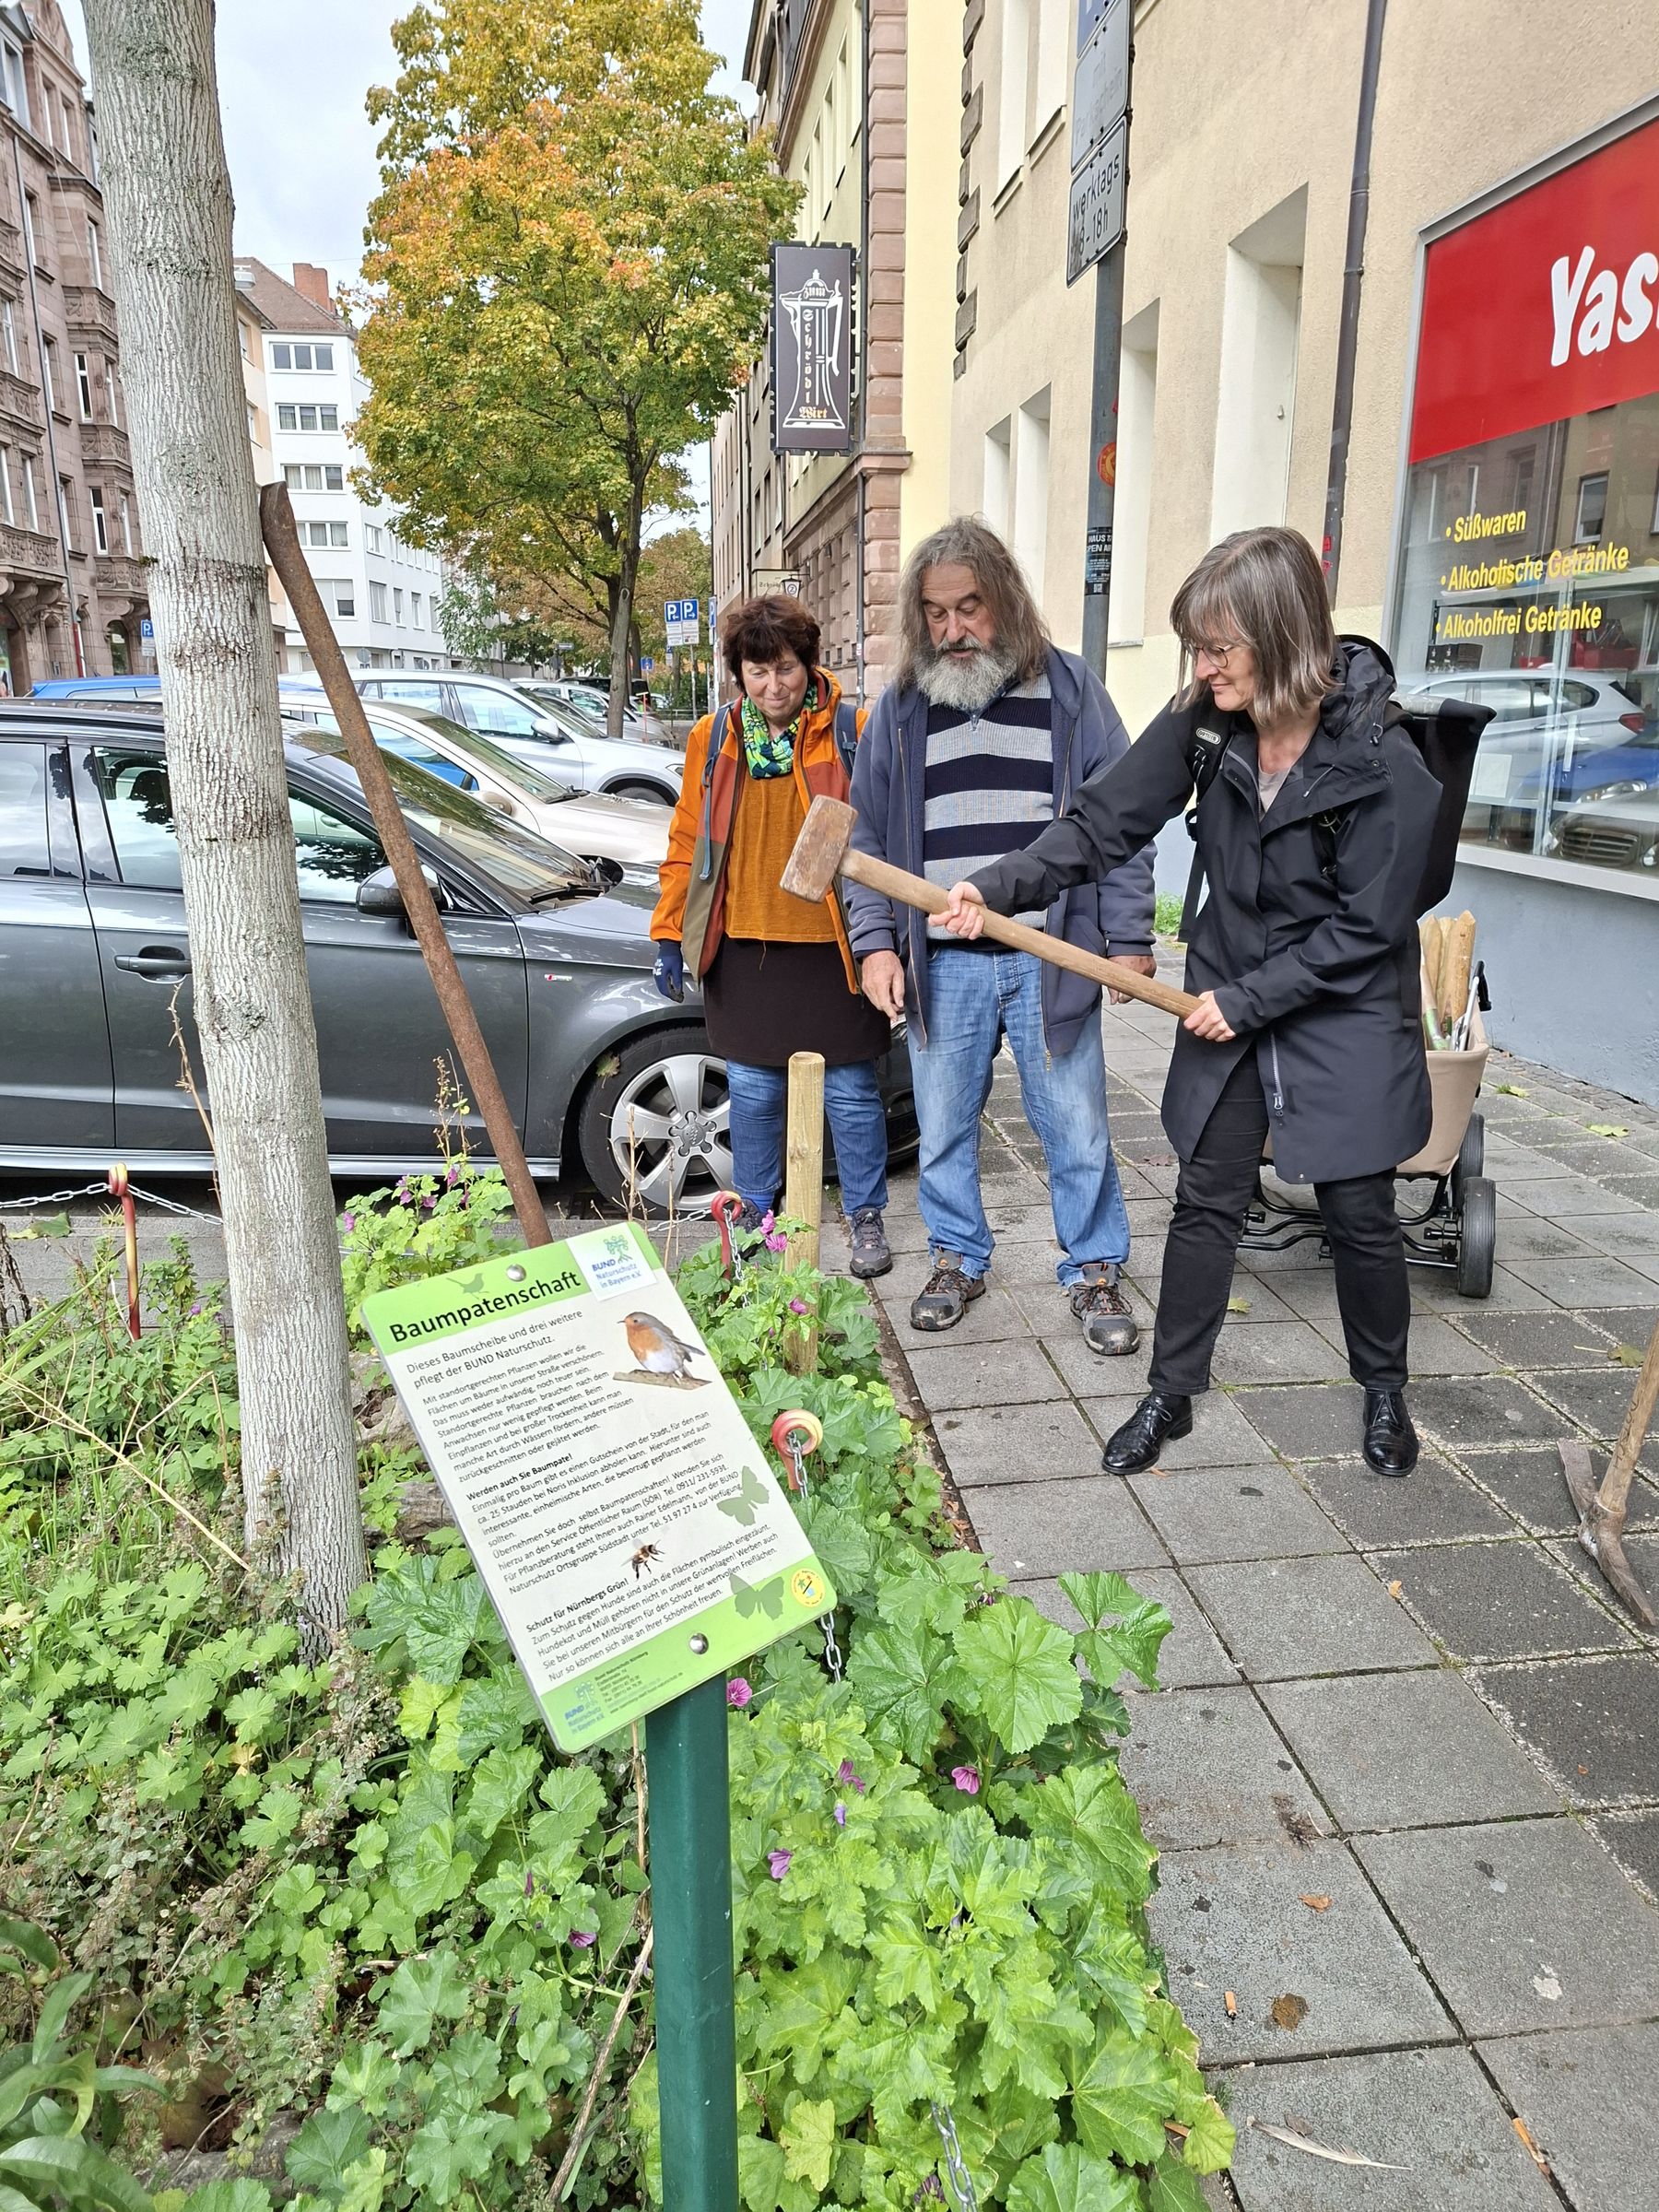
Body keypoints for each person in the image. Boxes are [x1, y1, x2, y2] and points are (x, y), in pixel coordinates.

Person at [941, 525, 1440, 1477]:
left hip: (1340, 1002)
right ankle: (1171, 1393)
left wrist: (1250, 1001)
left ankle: (1384, 1389)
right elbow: (1100, 822)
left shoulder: (1383, 762)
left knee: (1359, 1211)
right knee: (1206, 1201)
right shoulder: (1209, 725)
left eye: (1220, 648)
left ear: (1284, 638)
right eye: (1196, 648)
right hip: (1234, 989)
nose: (1203, 668)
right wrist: (996, 887)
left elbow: (1368, 930)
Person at [847, 517, 1156, 1349]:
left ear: (1006, 601)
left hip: (1049, 959)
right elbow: (865, 836)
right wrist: (877, 943)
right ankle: (957, 1256)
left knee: (1078, 1126)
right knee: (944, 1125)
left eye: (971, 608)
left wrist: (1127, 937)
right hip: (943, 966)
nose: (954, 630)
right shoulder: (903, 709)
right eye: (937, 613)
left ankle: (1093, 1270)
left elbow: (1122, 823)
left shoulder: (1071, 691)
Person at [650, 594, 894, 1277]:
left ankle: (866, 1216)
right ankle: (755, 1219)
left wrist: (888, 939)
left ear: (807, 663)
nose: (773, 686)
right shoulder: (713, 737)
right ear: (738, 673)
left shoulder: (852, 729)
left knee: (849, 1093)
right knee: (754, 1094)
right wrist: (670, 930)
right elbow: (687, 841)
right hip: (744, 948)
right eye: (757, 672)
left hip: (833, 947)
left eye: (784, 668)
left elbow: (881, 839)